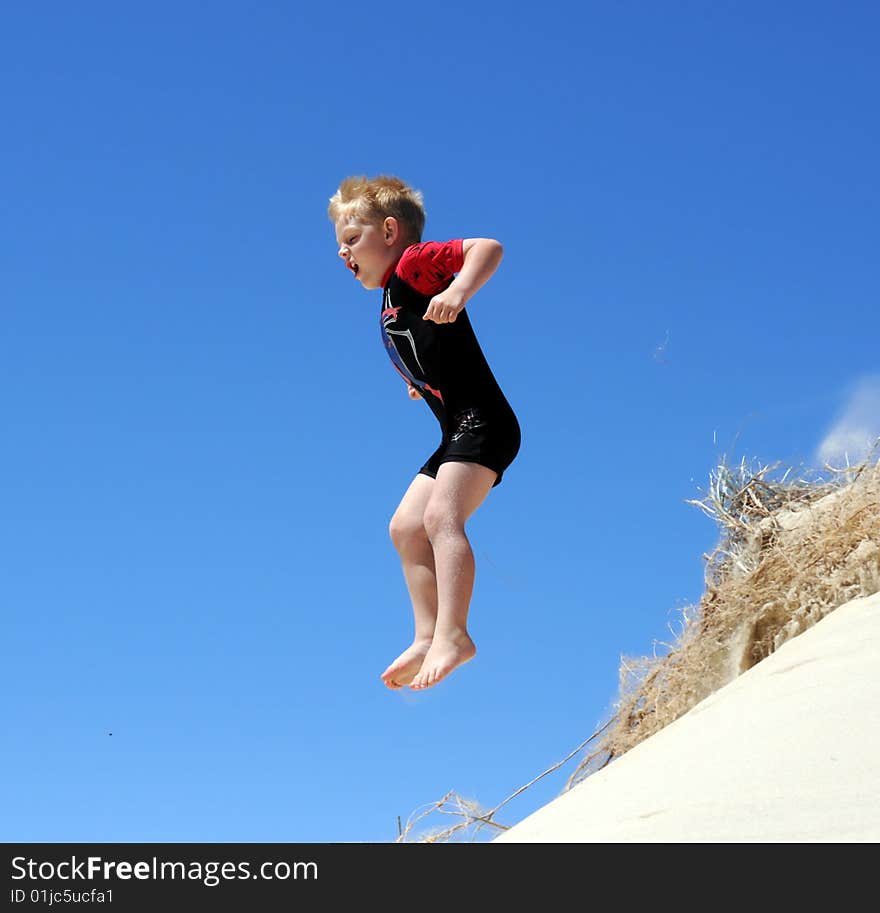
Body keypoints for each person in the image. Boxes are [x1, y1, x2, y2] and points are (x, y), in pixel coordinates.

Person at [328, 175, 520, 690]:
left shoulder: (413, 266)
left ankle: (454, 634)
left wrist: (459, 288)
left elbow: (487, 247)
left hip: (485, 425)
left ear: (389, 231)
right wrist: (421, 385)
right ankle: (427, 632)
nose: (343, 253)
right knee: (405, 527)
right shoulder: (392, 297)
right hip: (456, 430)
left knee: (440, 516)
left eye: (351, 239)